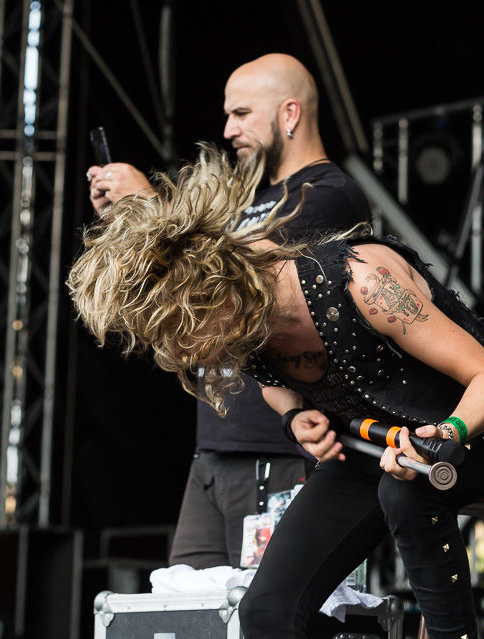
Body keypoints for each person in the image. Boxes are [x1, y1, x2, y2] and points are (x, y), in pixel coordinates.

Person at [67, 145, 484, 639]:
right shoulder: (239, 326)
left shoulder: (363, 283)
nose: (189, 354)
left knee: (405, 492)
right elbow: (272, 380)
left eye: (188, 334)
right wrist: (295, 415)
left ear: (218, 292)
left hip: (476, 434)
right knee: (264, 610)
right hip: (373, 454)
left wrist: (444, 435)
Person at [85, 53, 370, 569]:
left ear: (289, 114)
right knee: (186, 607)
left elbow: (238, 276)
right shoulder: (243, 201)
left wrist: (152, 205)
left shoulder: (329, 196)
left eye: (241, 114)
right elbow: (186, 289)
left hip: (280, 445)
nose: (228, 129)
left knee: (261, 610)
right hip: (214, 450)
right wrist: (131, 222)